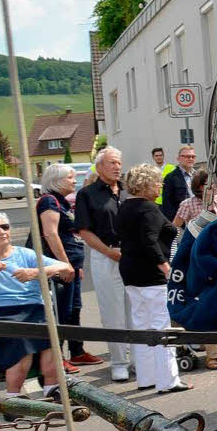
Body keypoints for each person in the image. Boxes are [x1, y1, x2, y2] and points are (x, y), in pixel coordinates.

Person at [117, 163, 190, 394]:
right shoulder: (148, 208)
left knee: (142, 324)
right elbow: (149, 240)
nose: (160, 186)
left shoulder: (125, 207)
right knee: (161, 325)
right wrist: (165, 265)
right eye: (158, 182)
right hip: (151, 272)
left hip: (130, 270)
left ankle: (146, 378)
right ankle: (168, 381)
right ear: (146, 184)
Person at [0, 210, 72, 409]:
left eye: (5, 226)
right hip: (1, 312)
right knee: (22, 345)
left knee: (51, 343)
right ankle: (12, 399)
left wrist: (35, 272)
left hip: (34, 308)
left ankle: (51, 390)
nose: (2, 231)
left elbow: (66, 268)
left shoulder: (25, 254)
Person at [35, 163, 101, 370]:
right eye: (70, 177)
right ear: (56, 180)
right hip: (58, 269)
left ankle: (77, 351)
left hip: (70, 266)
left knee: (74, 310)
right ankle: (58, 358)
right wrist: (64, 264)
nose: (74, 181)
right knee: (61, 311)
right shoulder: (48, 201)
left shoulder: (60, 202)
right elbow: (50, 234)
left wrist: (75, 265)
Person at [74, 146, 131, 382]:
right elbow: (84, 231)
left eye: (119, 162)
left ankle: (138, 360)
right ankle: (119, 362)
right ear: (99, 167)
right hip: (105, 256)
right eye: (112, 163)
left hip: (132, 257)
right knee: (113, 312)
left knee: (134, 311)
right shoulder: (87, 194)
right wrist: (109, 251)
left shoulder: (128, 191)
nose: (117, 167)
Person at [172, 169, 217, 370]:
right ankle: (212, 355)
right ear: (200, 186)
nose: (215, 186)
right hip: (197, 261)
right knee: (206, 304)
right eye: (211, 183)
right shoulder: (188, 204)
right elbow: (174, 229)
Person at [160, 146, 196, 221]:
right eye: (187, 156)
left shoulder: (198, 175)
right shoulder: (171, 178)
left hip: (198, 219)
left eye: (193, 156)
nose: (190, 159)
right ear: (178, 159)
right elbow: (167, 205)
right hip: (181, 221)